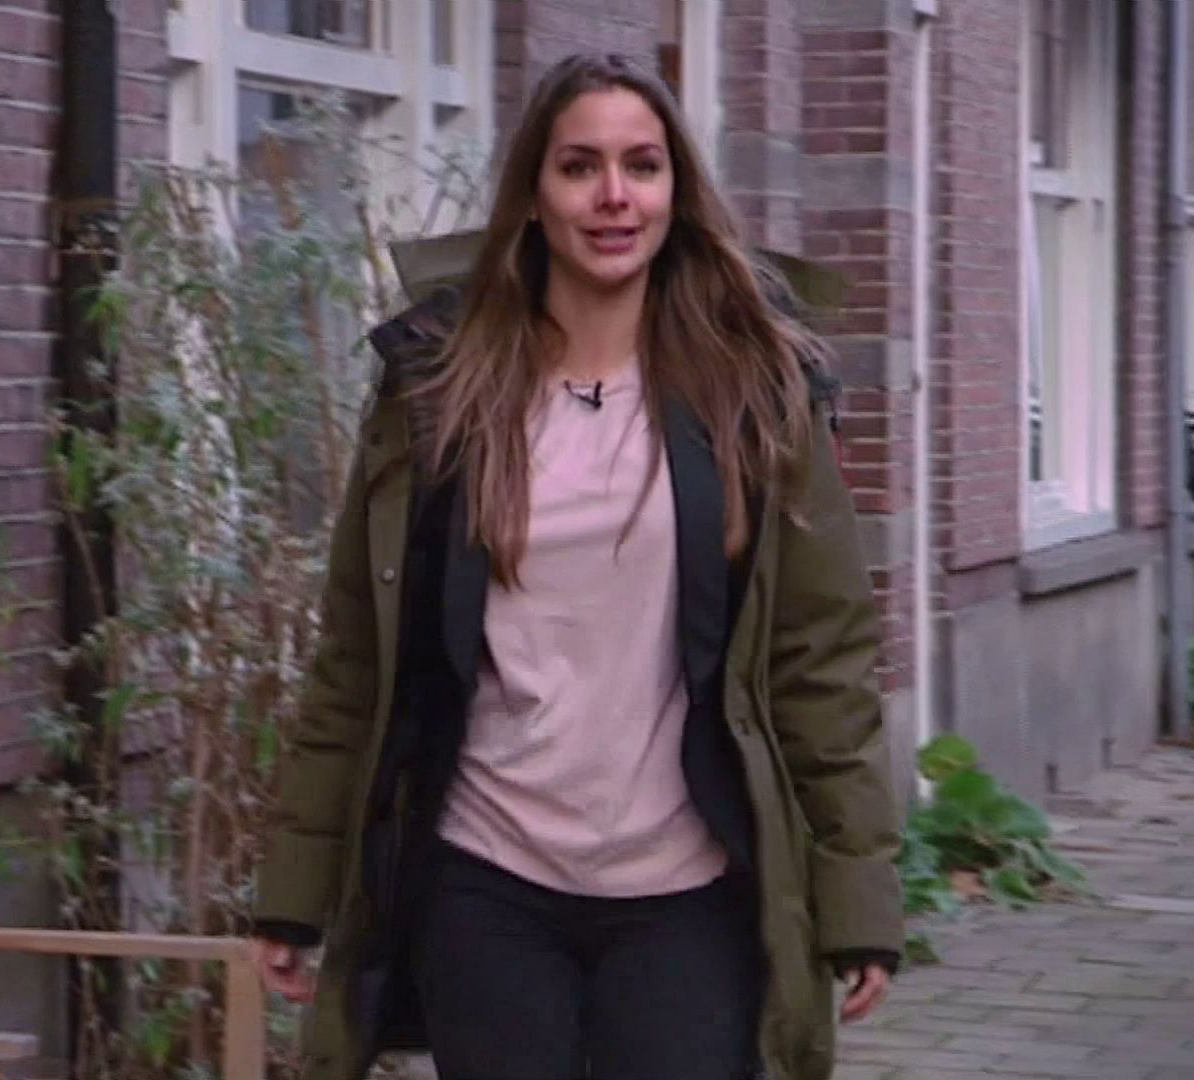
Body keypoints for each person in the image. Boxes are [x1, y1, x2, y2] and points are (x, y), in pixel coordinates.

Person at [246, 52, 904, 1080]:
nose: (613, 197)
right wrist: (296, 889)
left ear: (676, 191)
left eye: (641, 166)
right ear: (533, 194)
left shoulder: (757, 390)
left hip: (691, 890)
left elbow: (822, 663)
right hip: (486, 880)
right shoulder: (438, 385)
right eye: (579, 166)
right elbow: (355, 660)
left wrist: (856, 899)